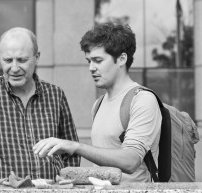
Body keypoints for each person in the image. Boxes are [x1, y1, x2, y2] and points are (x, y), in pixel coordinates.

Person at [33, 22, 162, 182]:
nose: (91, 68)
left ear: (121, 59)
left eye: (98, 60)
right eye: (89, 61)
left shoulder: (142, 100)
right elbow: (106, 170)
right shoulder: (99, 104)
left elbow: (130, 161)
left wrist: (75, 147)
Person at [0, 27, 80, 180]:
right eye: (8, 60)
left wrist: (67, 187)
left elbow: (71, 151)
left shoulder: (56, 95)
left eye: (22, 60)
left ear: (37, 57)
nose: (14, 68)